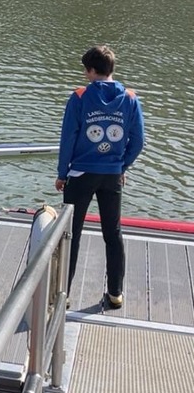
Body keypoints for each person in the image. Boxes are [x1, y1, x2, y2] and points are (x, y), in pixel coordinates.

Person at [56, 45, 145, 310]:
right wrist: (121, 166)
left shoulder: (80, 97)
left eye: (86, 70)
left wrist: (62, 173)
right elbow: (138, 141)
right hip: (112, 175)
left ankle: (64, 294)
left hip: (80, 174)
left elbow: (68, 138)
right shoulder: (130, 98)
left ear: (93, 70)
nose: (85, 75)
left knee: (71, 234)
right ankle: (115, 294)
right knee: (113, 233)